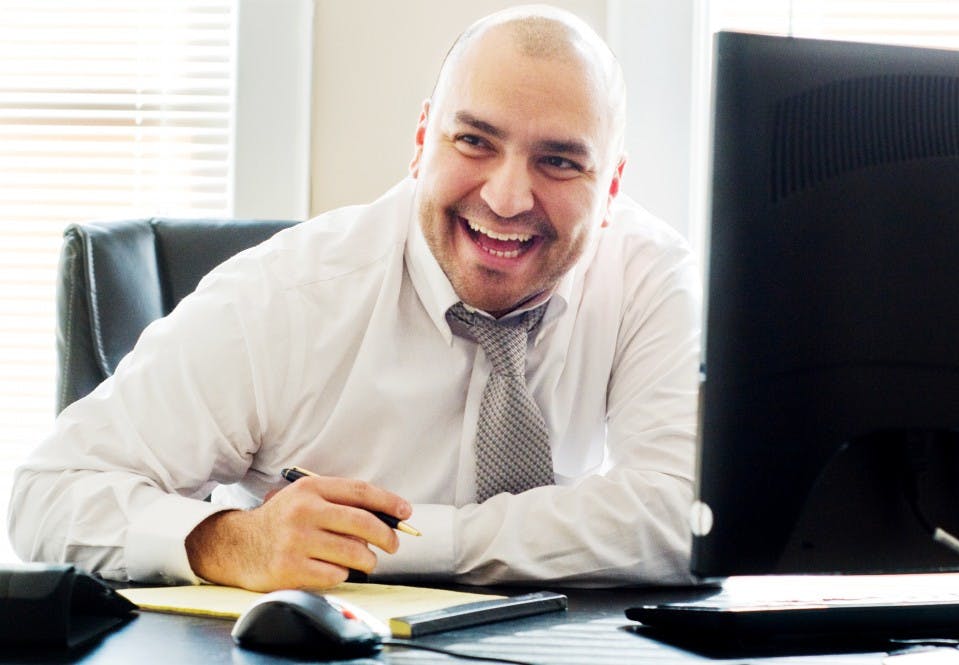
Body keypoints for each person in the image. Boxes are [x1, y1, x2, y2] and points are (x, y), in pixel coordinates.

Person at [8, 4, 701, 591]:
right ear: (423, 141)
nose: (507, 197)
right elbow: (46, 494)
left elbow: (682, 513)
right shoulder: (287, 297)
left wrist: (406, 541)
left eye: (558, 160)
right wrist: (229, 541)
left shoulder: (647, 275)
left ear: (610, 188)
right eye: (474, 141)